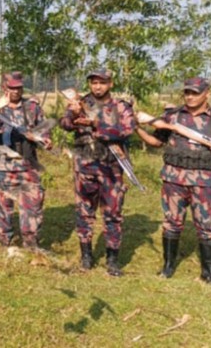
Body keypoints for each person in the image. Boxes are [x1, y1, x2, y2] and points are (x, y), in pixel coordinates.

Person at [135, 77, 211, 283]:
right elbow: (156, 141)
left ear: (207, 93)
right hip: (174, 179)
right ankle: (168, 266)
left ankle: (209, 271)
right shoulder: (171, 116)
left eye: (195, 93)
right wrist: (136, 128)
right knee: (172, 223)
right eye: (187, 93)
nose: (190, 97)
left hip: (205, 181)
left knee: (207, 225)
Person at [60, 69, 135, 276]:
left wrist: (97, 125)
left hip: (111, 168)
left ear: (110, 84)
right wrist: (73, 115)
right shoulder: (80, 103)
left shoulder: (121, 107)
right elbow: (64, 124)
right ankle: (86, 255)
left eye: (102, 82)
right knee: (84, 212)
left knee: (113, 214)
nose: (98, 87)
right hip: (84, 166)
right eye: (94, 83)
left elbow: (127, 130)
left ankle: (112, 259)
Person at [0, 72, 50, 250]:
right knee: (2, 204)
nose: (15, 91)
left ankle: (31, 240)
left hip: (27, 163)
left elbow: (43, 130)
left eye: (18, 87)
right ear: (4, 87)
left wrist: (45, 140)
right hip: (2, 164)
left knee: (33, 203)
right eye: (11, 87)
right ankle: (6, 240)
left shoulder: (32, 107)